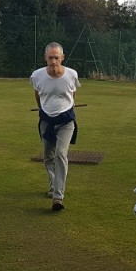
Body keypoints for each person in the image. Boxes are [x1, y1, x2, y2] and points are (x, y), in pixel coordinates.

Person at [30, 42, 81, 211]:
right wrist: (45, 110)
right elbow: (38, 95)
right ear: (45, 58)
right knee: (48, 156)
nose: (53, 61)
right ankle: (53, 185)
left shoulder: (71, 75)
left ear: (62, 58)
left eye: (56, 58)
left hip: (66, 122)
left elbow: (73, 94)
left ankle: (58, 197)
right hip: (46, 122)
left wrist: (66, 109)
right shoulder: (37, 76)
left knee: (60, 154)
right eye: (50, 58)